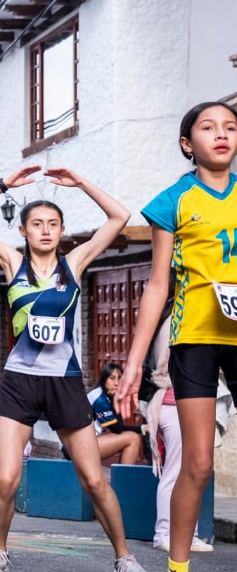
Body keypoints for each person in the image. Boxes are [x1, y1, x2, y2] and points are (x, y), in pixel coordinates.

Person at [0, 163, 141, 572]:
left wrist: (81, 182)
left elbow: (120, 217)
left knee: (94, 480)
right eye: (36, 223)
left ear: (60, 231)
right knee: (6, 478)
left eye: (53, 224)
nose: (45, 230)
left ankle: (124, 557)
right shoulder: (10, 262)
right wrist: (4, 185)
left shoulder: (73, 264)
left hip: (65, 381)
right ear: (22, 231)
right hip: (21, 381)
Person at [118, 104, 237, 572]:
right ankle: (178, 566)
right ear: (189, 144)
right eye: (208, 128)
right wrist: (133, 362)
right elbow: (157, 285)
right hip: (196, 340)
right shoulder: (174, 201)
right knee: (199, 463)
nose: (221, 134)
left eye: (230, 127)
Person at [138, 303, 219, 554]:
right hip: (174, 404)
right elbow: (165, 369)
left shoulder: (176, 315)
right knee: (176, 472)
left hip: (178, 404)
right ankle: (164, 534)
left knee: (192, 470)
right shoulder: (177, 318)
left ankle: (187, 534)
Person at [89, 364, 142, 466]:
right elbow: (117, 429)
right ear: (104, 380)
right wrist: (118, 400)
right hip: (77, 448)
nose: (117, 383)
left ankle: (122, 479)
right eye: (112, 378)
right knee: (133, 438)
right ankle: (123, 481)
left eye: (120, 379)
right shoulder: (99, 399)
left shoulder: (104, 395)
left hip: (84, 443)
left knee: (128, 436)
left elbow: (118, 428)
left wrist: (142, 428)